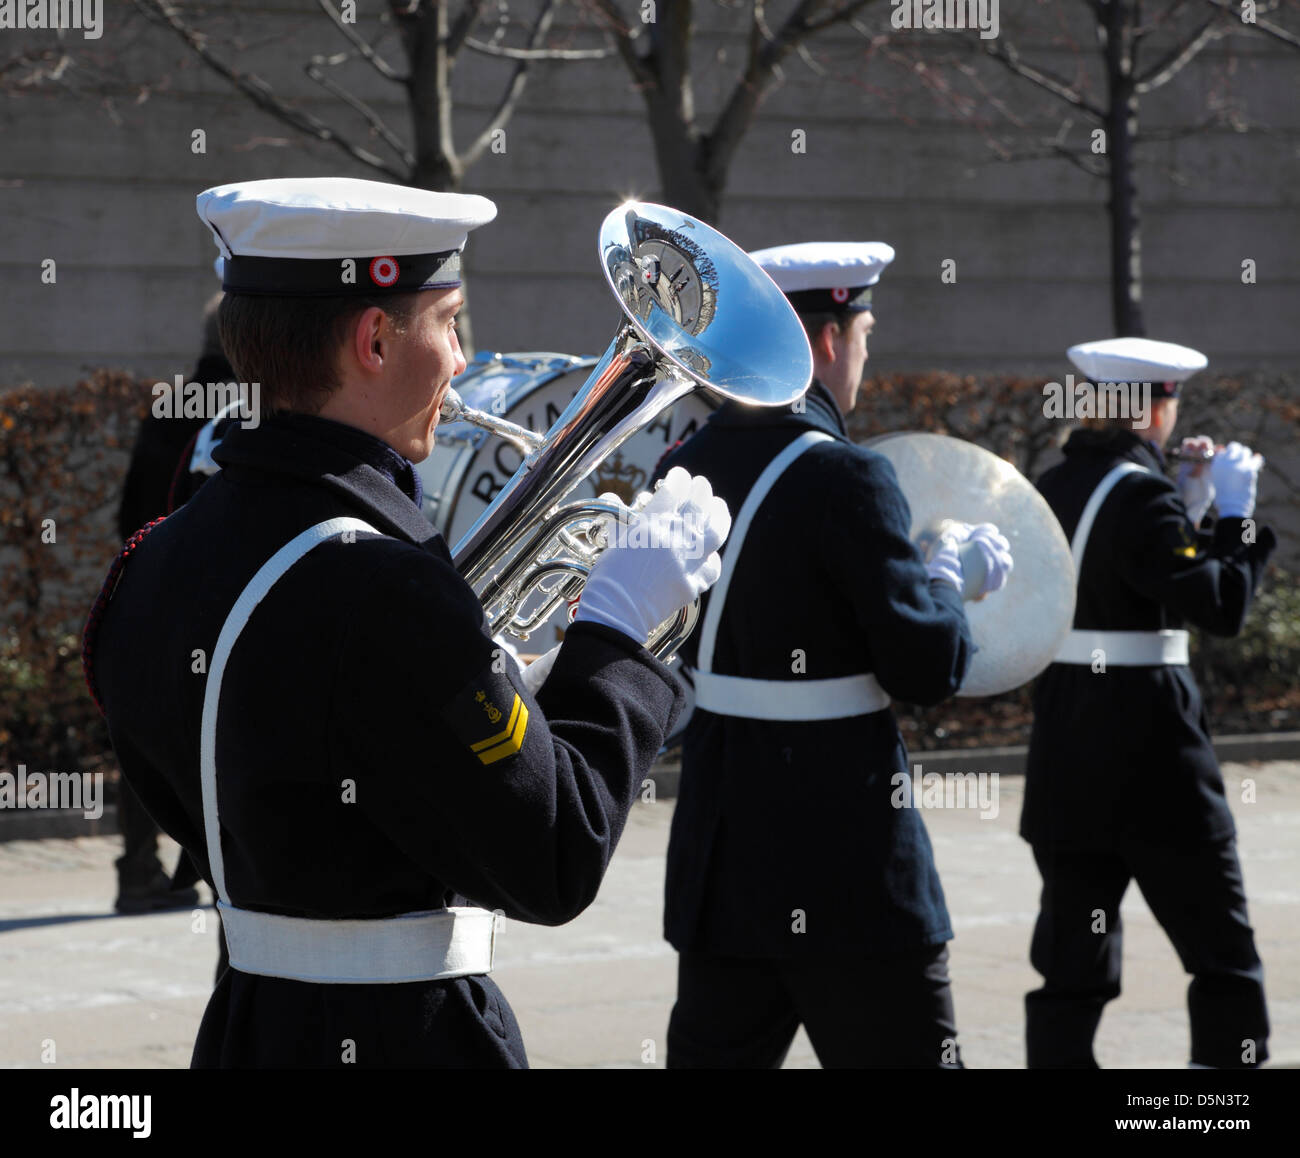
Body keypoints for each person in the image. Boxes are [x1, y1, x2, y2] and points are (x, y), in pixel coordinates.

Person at [82, 177, 730, 1068]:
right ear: (375, 339)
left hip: (246, 1029)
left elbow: (289, 772)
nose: (463, 359)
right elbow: (554, 855)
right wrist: (620, 632)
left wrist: (494, 686)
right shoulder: (385, 588)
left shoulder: (146, 565)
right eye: (451, 321)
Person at [655, 241, 1014, 1068]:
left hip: (724, 855)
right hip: (847, 862)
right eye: (863, 338)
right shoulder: (848, 477)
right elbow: (927, 668)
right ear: (826, 343)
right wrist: (949, 579)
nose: (862, 358)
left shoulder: (689, 459)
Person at [1022, 336, 1275, 1069]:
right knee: (1222, 954)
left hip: (1069, 739)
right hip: (1153, 749)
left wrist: (1188, 510)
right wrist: (1234, 519)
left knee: (1071, 963)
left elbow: (1137, 573)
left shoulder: (1056, 482)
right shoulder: (1141, 494)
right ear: (1155, 408)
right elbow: (1222, 606)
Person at [111, 283, 233, 914]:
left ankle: (139, 870)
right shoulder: (252, 412)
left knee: (144, 730)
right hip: (215, 606)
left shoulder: (170, 405)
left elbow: (128, 509)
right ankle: (211, 870)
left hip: (145, 587)